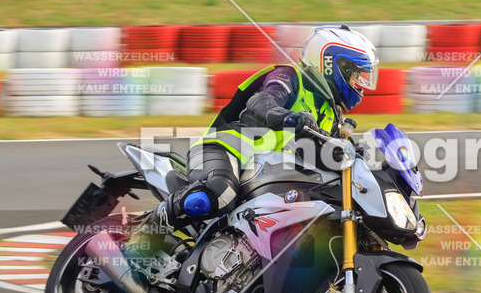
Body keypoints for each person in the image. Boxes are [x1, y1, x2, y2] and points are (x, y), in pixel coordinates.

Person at [133, 25, 379, 241]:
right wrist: (287, 116)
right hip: (225, 152)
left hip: (266, 177)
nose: (359, 82)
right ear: (331, 64)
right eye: (355, 73)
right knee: (219, 192)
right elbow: (262, 101)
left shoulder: (331, 113)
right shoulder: (290, 77)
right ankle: (145, 234)